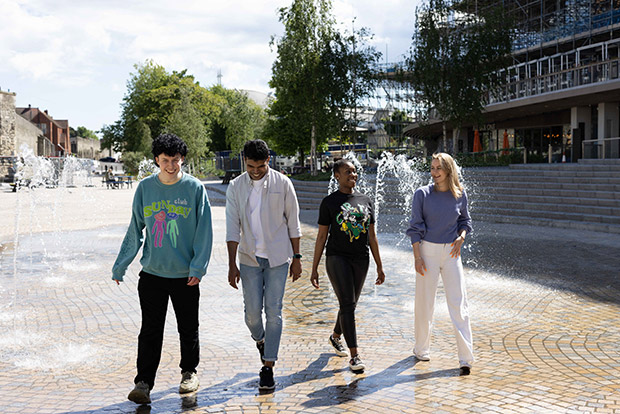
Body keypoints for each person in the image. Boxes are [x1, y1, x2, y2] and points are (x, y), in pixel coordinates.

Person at [112, 133, 213, 404]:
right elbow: (135, 229)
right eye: (166, 160)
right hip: (153, 274)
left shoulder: (194, 189)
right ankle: (143, 383)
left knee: (188, 327)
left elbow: (205, 231)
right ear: (156, 159)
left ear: (182, 160)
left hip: (185, 275)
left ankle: (189, 372)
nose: (171, 166)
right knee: (150, 330)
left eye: (176, 160)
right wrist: (121, 265)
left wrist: (198, 267)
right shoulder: (145, 188)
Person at [225, 139, 302, 391]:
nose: (256, 171)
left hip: (278, 258)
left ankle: (268, 367)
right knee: (251, 314)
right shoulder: (235, 187)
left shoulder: (283, 183)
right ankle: (260, 340)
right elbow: (232, 227)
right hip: (248, 258)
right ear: (244, 161)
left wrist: (298, 258)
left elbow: (294, 223)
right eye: (251, 166)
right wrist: (231, 264)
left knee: (274, 312)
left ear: (268, 159)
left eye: (261, 165)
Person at [310, 159, 385, 372]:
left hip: (361, 259)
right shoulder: (329, 202)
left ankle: (335, 336)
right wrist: (314, 267)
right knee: (347, 304)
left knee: (349, 304)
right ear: (337, 176)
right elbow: (322, 236)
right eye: (347, 172)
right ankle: (355, 356)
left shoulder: (367, 201)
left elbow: (372, 236)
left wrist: (379, 265)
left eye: (354, 172)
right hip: (337, 257)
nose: (352, 175)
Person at [405, 152, 474, 376]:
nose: (434, 172)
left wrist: (461, 237)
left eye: (438, 169)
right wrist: (417, 256)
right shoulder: (422, 194)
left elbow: (465, 221)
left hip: (453, 253)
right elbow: (415, 227)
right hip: (427, 252)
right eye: (432, 168)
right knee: (425, 303)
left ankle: (466, 358)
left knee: (459, 303)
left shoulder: (460, 194)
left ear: (448, 170)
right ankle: (421, 349)